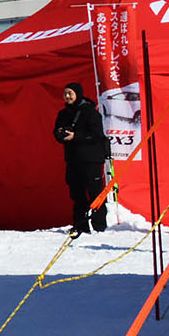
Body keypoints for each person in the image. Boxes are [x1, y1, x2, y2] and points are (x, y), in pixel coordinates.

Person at [54, 82, 111, 236]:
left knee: (95, 192)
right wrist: (60, 134)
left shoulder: (90, 112)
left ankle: (99, 226)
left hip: (91, 159)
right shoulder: (63, 114)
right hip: (73, 159)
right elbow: (56, 131)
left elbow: (96, 135)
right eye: (65, 93)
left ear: (77, 94)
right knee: (76, 193)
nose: (67, 96)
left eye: (70, 93)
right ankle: (80, 225)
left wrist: (76, 136)